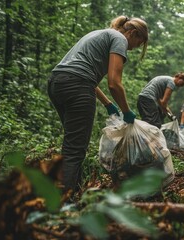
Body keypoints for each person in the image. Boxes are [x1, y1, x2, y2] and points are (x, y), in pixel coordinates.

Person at [48, 16, 148, 194]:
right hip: (77, 86)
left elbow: (84, 75)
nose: (133, 48)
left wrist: (108, 103)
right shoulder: (119, 39)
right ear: (132, 33)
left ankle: (72, 192)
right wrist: (127, 111)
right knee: (75, 150)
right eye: (137, 43)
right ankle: (63, 203)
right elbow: (114, 83)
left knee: (72, 144)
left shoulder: (99, 33)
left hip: (57, 82)